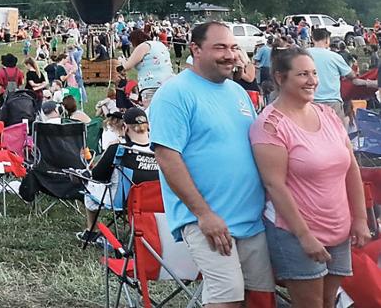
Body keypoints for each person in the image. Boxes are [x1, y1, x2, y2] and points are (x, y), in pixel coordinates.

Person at [150, 21, 272, 308]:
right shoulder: (174, 93)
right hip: (208, 219)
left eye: (233, 47)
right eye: (220, 47)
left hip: (251, 220)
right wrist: (203, 214)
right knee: (226, 298)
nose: (230, 55)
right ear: (195, 49)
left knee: (258, 299)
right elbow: (167, 157)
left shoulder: (237, 92)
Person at [250, 47, 368, 308]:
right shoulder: (270, 125)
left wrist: (359, 219)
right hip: (295, 231)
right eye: (302, 74)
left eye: (314, 73)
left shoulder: (327, 115)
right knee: (310, 304)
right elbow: (275, 185)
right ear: (281, 78)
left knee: (329, 301)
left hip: (338, 227)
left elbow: (351, 168)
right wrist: (304, 236)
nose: (312, 80)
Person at [81, 107, 158, 242]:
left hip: (123, 200)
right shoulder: (160, 150)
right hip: (155, 201)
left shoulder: (118, 149)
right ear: (147, 127)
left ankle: (91, 232)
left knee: (88, 188)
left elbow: (98, 176)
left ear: (125, 127)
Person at [306, 28, 353, 122]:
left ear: (312, 39)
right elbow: (351, 75)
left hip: (309, 101)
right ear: (327, 40)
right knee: (335, 133)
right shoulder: (335, 57)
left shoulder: (303, 54)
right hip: (332, 102)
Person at [124, 28, 175, 105]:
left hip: (151, 85)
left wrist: (122, 60)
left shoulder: (142, 47)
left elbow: (127, 66)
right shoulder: (159, 44)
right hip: (170, 82)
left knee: (151, 112)